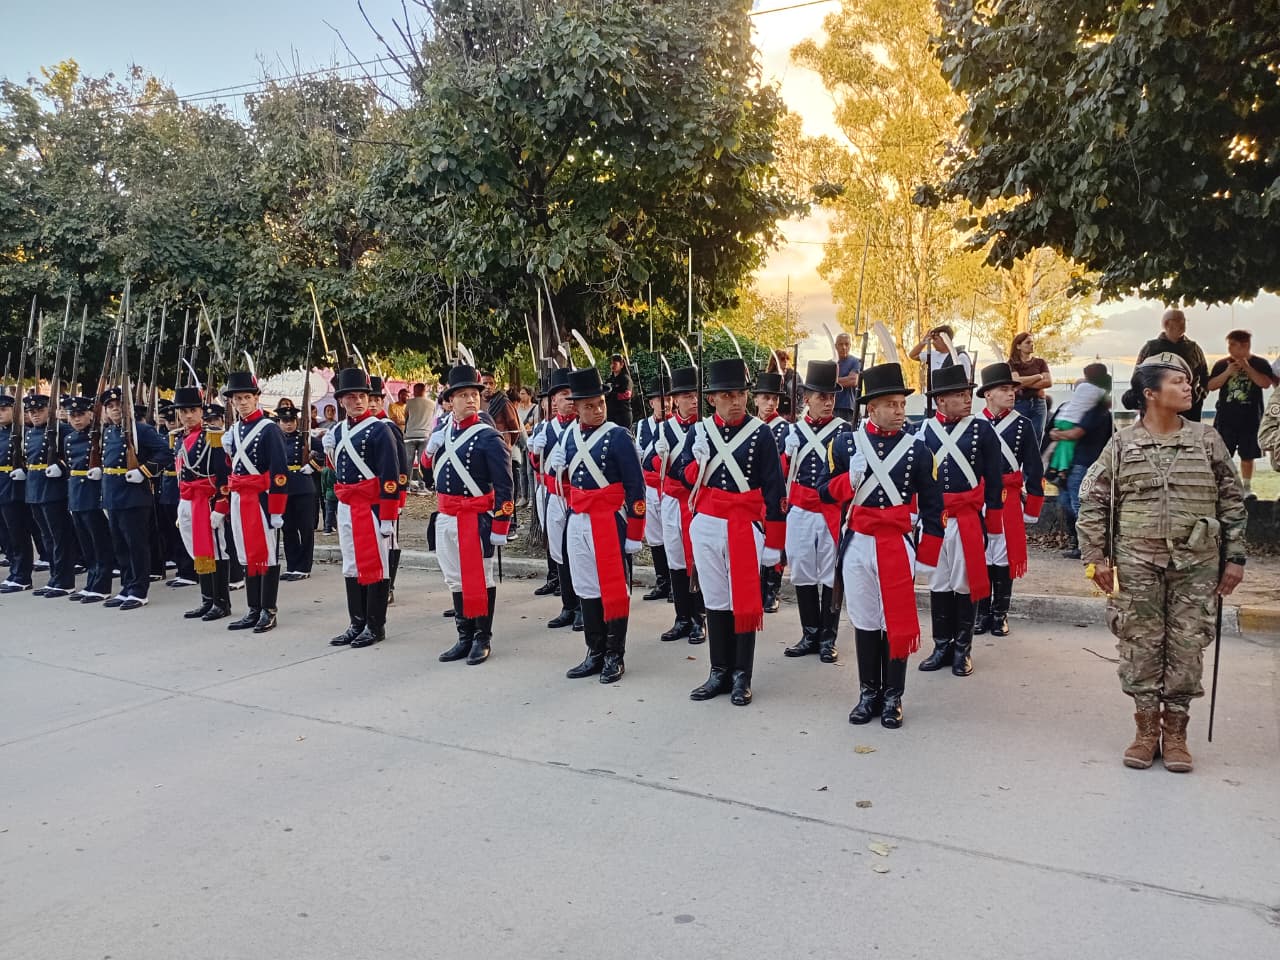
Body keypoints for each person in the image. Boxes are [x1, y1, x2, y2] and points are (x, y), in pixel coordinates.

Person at [1077, 352, 1247, 773]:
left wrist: (1235, 558)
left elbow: (1233, 502)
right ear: (1150, 393)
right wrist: (1095, 559)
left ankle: (1176, 733)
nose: (1188, 386)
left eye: (1188, 381)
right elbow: (1093, 503)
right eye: (1177, 381)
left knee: (1187, 647)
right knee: (1139, 645)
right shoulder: (1121, 444)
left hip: (1197, 563)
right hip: (1137, 563)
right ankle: (1146, 730)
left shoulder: (1208, 440)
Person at [820, 362, 943, 728]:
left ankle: (893, 697)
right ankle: (868, 693)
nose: (900, 411)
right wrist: (849, 478)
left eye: (902, 404)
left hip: (896, 542)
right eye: (891, 404)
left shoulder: (918, 450)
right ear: (871, 408)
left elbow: (935, 508)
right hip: (858, 542)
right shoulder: (844, 444)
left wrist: (928, 556)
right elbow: (824, 492)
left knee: (895, 620)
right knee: (866, 621)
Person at [674, 358, 786, 706]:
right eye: (727, 395)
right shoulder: (699, 431)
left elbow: (775, 491)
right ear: (712, 399)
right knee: (716, 600)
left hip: (743, 525)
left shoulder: (760, 433)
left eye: (740, 393)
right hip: (707, 523)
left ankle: (742, 675)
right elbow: (681, 474)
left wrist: (774, 544)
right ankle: (718, 671)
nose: (736, 401)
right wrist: (697, 462)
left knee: (743, 602)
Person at [546, 366, 646, 683]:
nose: (598, 409)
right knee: (587, 587)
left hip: (610, 519)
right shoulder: (568, 438)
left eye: (600, 403)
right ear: (576, 407)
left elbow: (636, 487)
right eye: (589, 405)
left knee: (614, 588)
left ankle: (615, 655)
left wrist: (634, 532)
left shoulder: (618, 436)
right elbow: (560, 484)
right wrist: (555, 468)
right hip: (579, 520)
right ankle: (595, 650)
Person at [917, 364, 1004, 677]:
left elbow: (994, 482)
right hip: (936, 520)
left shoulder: (982, 430)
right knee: (939, 582)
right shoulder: (924, 431)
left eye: (968, 393)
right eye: (959, 395)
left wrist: (993, 525)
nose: (968, 399)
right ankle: (941, 645)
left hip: (967, 518)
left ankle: (962, 649)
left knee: (965, 584)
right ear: (940, 401)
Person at [424, 364, 514, 665]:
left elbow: (505, 486)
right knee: (455, 579)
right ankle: (464, 636)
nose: (471, 400)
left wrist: (501, 525)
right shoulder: (442, 432)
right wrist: (428, 451)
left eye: (474, 394)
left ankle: (481, 637)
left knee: (480, 577)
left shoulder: (488, 437)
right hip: (447, 515)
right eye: (462, 395)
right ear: (450, 400)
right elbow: (427, 475)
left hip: (475, 516)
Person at [325, 368, 403, 650]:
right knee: (351, 565)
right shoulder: (339, 430)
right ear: (342, 400)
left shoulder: (379, 429)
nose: (358, 401)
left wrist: (387, 517)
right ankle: (356, 622)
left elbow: (390, 477)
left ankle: (375, 624)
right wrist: (329, 452)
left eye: (362, 396)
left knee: (377, 566)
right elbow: (339, 471)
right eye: (351, 397)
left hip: (370, 507)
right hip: (347, 504)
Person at [782, 360, 851, 663]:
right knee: (802, 571)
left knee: (830, 574)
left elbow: (852, 480)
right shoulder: (793, 431)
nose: (827, 402)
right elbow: (779, 477)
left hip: (830, 511)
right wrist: (786, 453)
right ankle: (809, 633)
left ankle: (828, 637)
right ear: (806, 398)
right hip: (799, 509)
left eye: (831, 397)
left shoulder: (845, 431)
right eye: (821, 396)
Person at [972, 363, 1045, 637]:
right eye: (1004, 389)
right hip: (979, 498)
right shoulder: (974, 425)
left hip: (1009, 498)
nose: (1012, 394)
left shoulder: (1023, 425)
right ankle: (981, 613)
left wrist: (1034, 504)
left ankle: (1000, 613)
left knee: (1003, 556)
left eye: (1013, 389)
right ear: (988, 394)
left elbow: (1034, 468)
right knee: (980, 554)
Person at [221, 370, 289, 633]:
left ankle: (268, 610)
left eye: (247, 397)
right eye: (237, 399)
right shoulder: (235, 429)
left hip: (261, 499)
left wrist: (276, 510)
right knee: (246, 554)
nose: (242, 403)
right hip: (239, 496)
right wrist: (227, 452)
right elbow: (234, 468)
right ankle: (252, 608)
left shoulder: (269, 428)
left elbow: (279, 472)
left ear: (256, 398)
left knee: (266, 554)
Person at [100, 387, 174, 610]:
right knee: (120, 545)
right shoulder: (110, 432)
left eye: (119, 406)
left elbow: (166, 453)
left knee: (136, 544)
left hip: (133, 496)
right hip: (113, 495)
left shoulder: (141, 430)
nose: (115, 410)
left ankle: (139, 590)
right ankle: (127, 585)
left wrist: (144, 471)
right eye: (110, 407)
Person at [651, 365, 705, 643]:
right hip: (672, 500)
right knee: (675, 557)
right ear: (676, 399)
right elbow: (649, 464)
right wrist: (661, 457)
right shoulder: (665, 429)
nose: (692, 400)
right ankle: (681, 617)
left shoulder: (707, 427)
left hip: (696, 501)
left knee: (698, 559)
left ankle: (700, 618)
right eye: (685, 395)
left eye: (695, 394)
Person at [526, 369, 582, 630]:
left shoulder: (583, 427)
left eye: (573, 395)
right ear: (553, 401)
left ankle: (584, 606)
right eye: (563, 395)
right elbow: (536, 466)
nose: (569, 400)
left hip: (577, 496)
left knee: (577, 552)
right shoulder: (544, 427)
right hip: (552, 495)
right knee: (559, 551)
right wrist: (535, 452)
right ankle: (568, 605)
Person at [172, 386, 233, 622]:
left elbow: (223, 476)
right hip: (188, 499)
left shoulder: (213, 436)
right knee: (198, 551)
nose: (188, 415)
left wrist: (221, 506)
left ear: (201, 411)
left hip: (207, 502)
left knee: (216, 551)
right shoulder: (180, 437)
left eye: (193, 410)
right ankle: (207, 599)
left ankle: (221, 601)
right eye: (183, 411)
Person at [1051, 365, 1113, 559]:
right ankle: (1085, 544)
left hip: (1080, 463)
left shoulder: (1092, 412)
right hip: (1089, 462)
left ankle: (1085, 546)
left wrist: (1057, 434)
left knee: (1076, 505)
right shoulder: (1104, 413)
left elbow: (1076, 433)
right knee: (1073, 502)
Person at [1206, 329, 1277, 497]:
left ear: (1245, 346)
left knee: (1248, 455)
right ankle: (1224, 487)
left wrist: (1246, 367)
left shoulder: (1260, 363)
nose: (1231, 349)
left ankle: (1246, 487)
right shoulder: (1222, 364)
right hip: (1226, 418)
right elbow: (1211, 386)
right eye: (1229, 345)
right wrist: (1228, 372)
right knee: (1222, 456)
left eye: (1234, 345)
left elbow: (1265, 383)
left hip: (1250, 418)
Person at [24, 394, 76, 597]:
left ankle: (65, 580)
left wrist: (61, 467)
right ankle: (55, 576)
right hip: (34, 489)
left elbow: (75, 455)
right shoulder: (29, 433)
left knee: (59, 536)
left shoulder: (62, 430)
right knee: (47, 537)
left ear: (49, 410)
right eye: (31, 412)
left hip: (54, 490)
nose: (35, 415)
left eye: (39, 411)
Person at [753, 370, 788, 613]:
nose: (770, 403)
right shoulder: (749, 426)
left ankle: (772, 590)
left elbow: (785, 468)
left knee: (775, 540)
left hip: (774, 492)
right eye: (765, 398)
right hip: (753, 495)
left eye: (774, 398)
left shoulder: (785, 429)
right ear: (755, 400)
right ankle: (756, 587)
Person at [634, 374, 671, 601]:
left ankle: (677, 585)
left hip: (667, 488)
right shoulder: (642, 426)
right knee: (655, 537)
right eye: (659, 399)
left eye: (667, 399)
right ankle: (662, 581)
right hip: (649, 487)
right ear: (651, 403)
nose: (665, 403)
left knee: (672, 537)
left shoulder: (676, 425)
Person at [1135, 308, 1210, 421]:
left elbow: (1205, 378)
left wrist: (1198, 396)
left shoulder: (1194, 349)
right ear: (1166, 323)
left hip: (1188, 410)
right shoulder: (1150, 348)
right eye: (1179, 320)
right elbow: (1137, 378)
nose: (1183, 323)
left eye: (1184, 320)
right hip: (1157, 408)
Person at [277, 404, 323, 581]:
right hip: (284, 486)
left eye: (291, 421)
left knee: (305, 528)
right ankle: (292, 565)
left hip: (303, 487)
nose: (288, 424)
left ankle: (304, 566)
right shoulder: (277, 439)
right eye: (284, 421)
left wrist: (312, 466)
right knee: (288, 528)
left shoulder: (305, 438)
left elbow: (324, 452)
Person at [1044, 365, 1111, 486]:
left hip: (1079, 464)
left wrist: (1057, 434)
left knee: (1071, 502)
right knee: (1076, 502)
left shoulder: (1067, 406)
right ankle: (1059, 470)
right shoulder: (1101, 411)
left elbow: (1072, 433)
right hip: (1086, 463)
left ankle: (1056, 468)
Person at [0, 392, 35, 593]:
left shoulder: (23, 434)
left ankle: (22, 575)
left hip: (14, 489)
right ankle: (14, 570)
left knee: (17, 534)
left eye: (4, 410)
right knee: (4, 535)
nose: (0, 414)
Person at [1008, 332, 1053, 444]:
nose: (1031, 345)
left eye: (1032, 342)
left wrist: (1023, 383)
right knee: (1019, 437)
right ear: (1018, 346)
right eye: (1028, 342)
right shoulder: (1012, 363)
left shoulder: (1040, 362)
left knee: (1037, 437)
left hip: (1039, 403)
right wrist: (1038, 377)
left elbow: (1048, 382)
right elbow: (1016, 381)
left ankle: (1033, 461)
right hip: (1020, 403)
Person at [908, 324, 975, 393]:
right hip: (932, 400)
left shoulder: (960, 357)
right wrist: (924, 341)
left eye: (936, 339)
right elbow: (913, 355)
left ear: (945, 339)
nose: (933, 343)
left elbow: (966, 383)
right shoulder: (932, 354)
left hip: (949, 400)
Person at [403, 382, 434, 493]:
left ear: (415, 391)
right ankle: (422, 485)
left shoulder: (409, 402)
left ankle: (406, 486)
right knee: (422, 462)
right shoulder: (432, 403)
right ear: (424, 391)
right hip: (425, 435)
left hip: (410, 435)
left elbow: (406, 416)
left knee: (408, 461)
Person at [833, 332, 862, 422]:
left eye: (847, 344)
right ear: (836, 346)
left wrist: (830, 381)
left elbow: (853, 380)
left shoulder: (856, 362)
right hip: (832, 408)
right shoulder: (830, 364)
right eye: (841, 344)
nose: (844, 347)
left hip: (849, 410)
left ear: (850, 346)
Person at [604, 354, 635, 428]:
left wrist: (611, 394)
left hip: (622, 415)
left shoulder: (625, 379)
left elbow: (626, 395)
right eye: (611, 364)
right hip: (610, 415)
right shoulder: (609, 380)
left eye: (615, 364)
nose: (612, 366)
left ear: (621, 365)